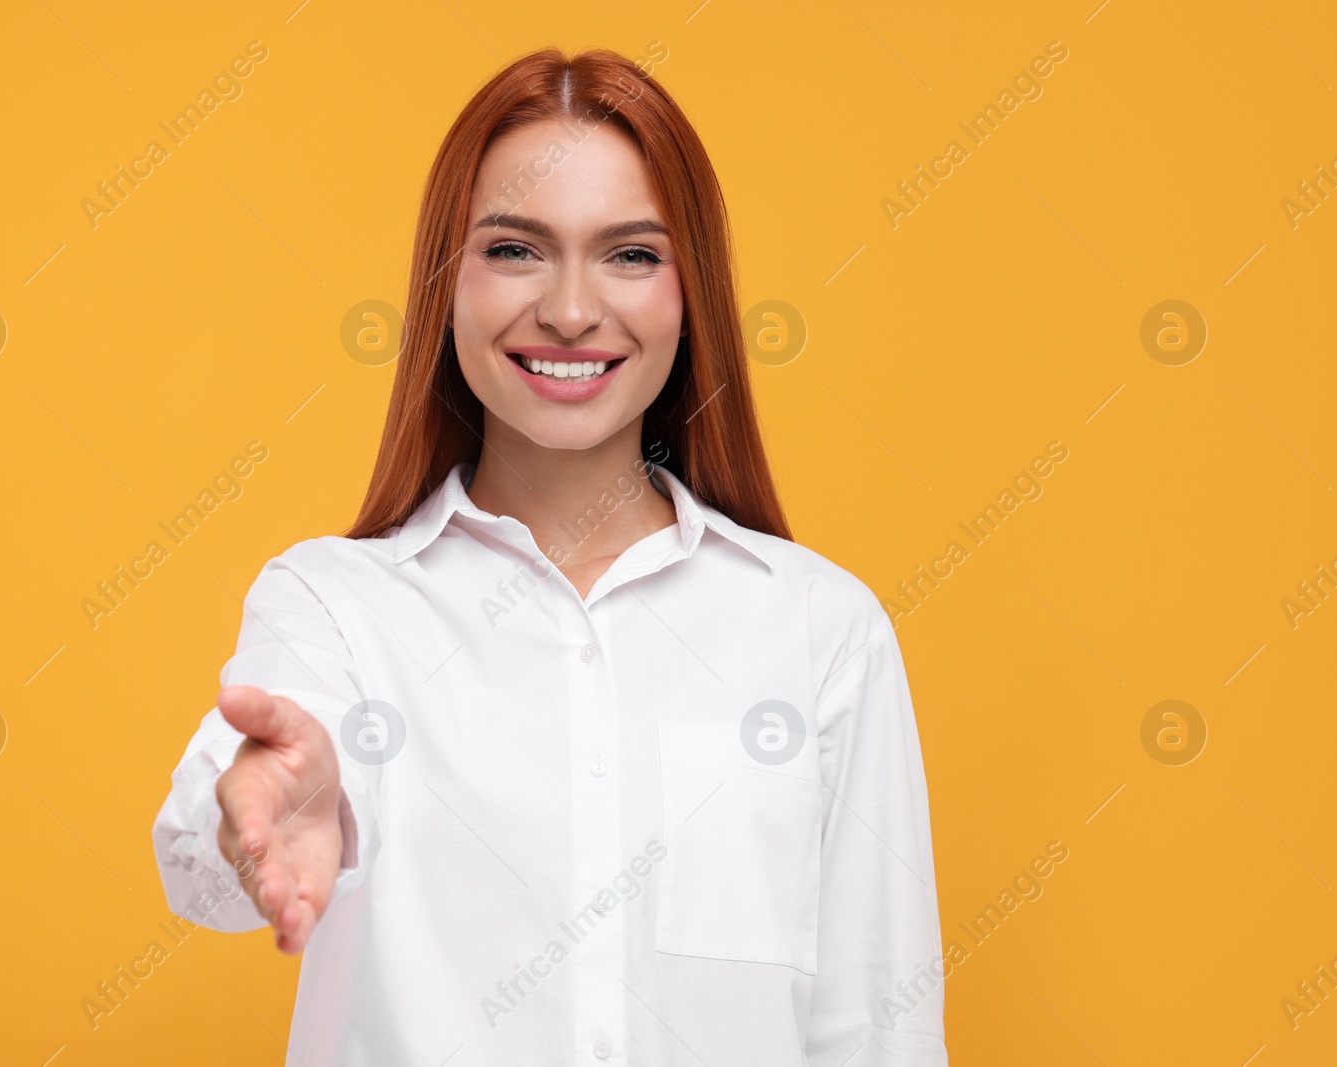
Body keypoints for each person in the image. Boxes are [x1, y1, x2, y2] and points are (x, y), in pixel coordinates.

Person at [152, 45, 947, 1066]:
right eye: (515, 249)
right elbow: (210, 859)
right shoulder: (338, 606)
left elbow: (876, 1028)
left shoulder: (819, 630)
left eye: (630, 254)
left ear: (689, 292)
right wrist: (257, 818)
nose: (571, 310)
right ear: (446, 283)